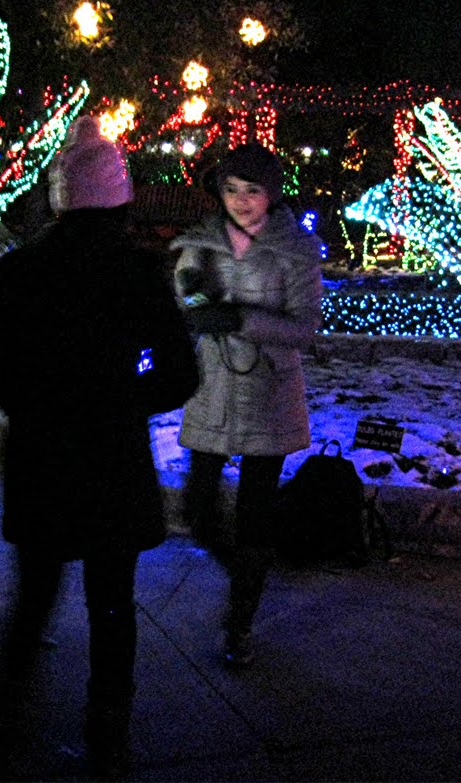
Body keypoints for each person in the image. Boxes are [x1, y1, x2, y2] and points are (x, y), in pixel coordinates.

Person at [0, 116, 198, 778]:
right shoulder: (138, 272)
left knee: (35, 594)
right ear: (120, 198)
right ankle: (108, 721)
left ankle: (5, 718)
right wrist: (126, 401)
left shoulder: (22, 270)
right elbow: (181, 373)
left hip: (43, 456)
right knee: (112, 603)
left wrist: (38, 409)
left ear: (61, 196)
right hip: (112, 458)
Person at [171, 141, 323, 667]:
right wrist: (191, 297)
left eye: (251, 191)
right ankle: (247, 574)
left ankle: (239, 623)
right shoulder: (205, 239)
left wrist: (240, 319)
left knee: (256, 513)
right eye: (231, 189)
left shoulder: (295, 248)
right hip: (212, 384)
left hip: (268, 389)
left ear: (271, 194)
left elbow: (305, 328)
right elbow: (182, 293)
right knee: (198, 509)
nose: (240, 201)